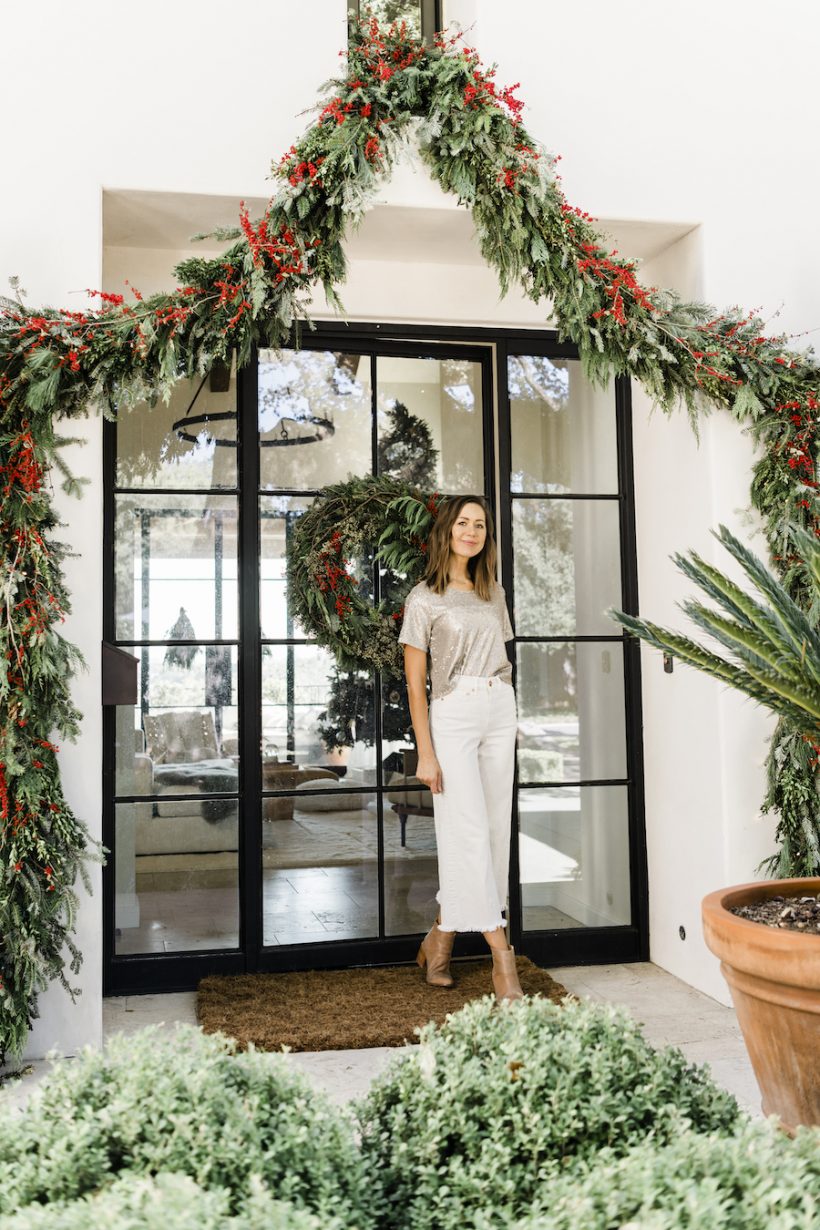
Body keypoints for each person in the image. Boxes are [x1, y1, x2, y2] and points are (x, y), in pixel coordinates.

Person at [399, 494, 523, 1002]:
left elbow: (503, 659)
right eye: (463, 523)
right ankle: (502, 959)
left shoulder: (494, 593)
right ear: (446, 531)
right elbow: (415, 685)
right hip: (452, 713)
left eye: (480, 525)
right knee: (466, 832)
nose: (472, 532)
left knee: (493, 834)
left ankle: (440, 939)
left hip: (499, 707)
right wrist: (425, 754)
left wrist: (510, 716)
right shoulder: (424, 597)